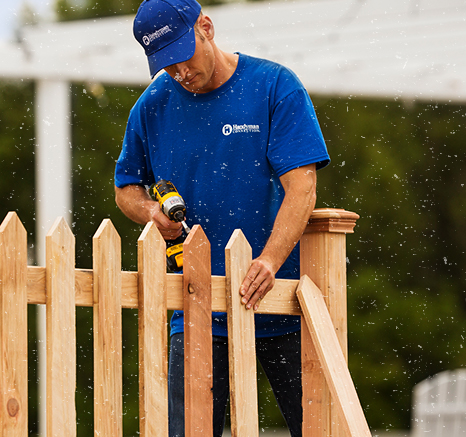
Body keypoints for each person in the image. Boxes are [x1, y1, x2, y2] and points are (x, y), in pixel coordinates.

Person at [114, 0, 330, 435]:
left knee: (318, 426)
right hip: (194, 306)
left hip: (284, 300)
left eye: (182, 56)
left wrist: (268, 260)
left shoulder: (274, 87)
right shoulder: (151, 107)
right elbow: (125, 188)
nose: (179, 73)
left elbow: (302, 187)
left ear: (206, 27)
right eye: (165, 66)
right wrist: (152, 212)